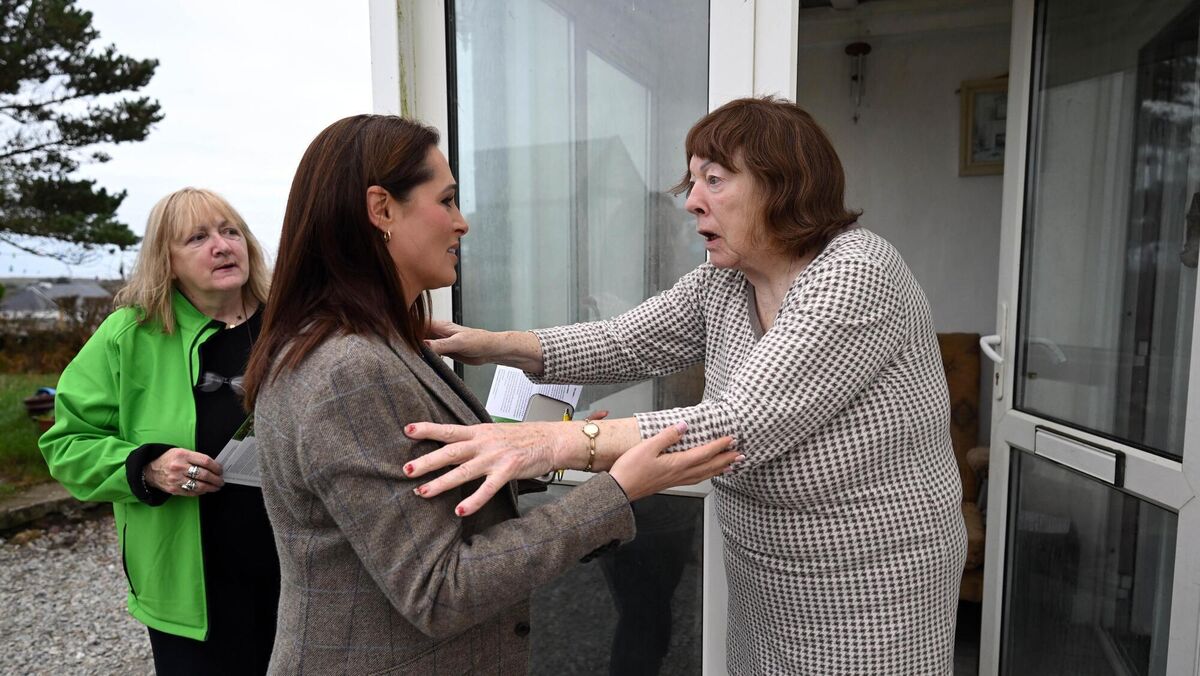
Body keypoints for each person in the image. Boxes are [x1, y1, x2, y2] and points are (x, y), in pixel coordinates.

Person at [403, 96, 969, 674]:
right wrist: (493, 343)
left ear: (784, 187)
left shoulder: (857, 274)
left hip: (876, 576)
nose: (692, 200)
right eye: (693, 180)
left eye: (715, 180)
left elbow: (738, 422)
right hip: (768, 573)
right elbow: (624, 341)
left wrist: (550, 444)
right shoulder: (726, 279)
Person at [241, 114, 738, 675]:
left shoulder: (369, 341)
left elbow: (412, 495)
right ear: (381, 210)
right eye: (447, 200)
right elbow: (439, 588)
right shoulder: (351, 368)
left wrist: (535, 451)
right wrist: (617, 492)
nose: (463, 223)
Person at [40, 188, 279, 674]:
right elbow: (66, 443)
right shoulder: (128, 336)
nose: (221, 245)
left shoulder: (295, 325)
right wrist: (146, 468)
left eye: (230, 231)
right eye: (197, 237)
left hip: (302, 575)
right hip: (188, 589)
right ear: (166, 262)